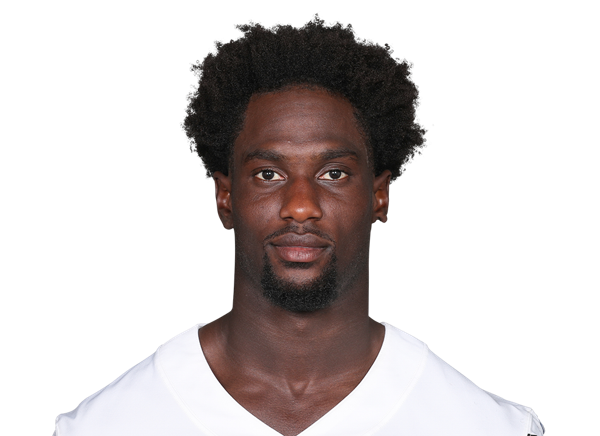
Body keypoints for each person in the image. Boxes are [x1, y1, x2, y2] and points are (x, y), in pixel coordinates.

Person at [53, 15, 544, 436]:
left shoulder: (490, 427)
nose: (302, 207)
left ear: (379, 194)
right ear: (225, 196)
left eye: (334, 174)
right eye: (269, 174)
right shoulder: (104, 427)